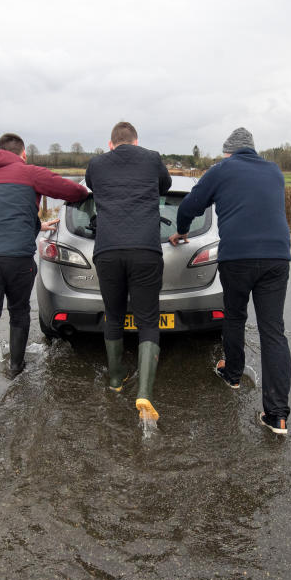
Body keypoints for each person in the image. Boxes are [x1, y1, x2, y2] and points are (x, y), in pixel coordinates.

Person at [168, 127, 291, 435]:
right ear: (252, 149)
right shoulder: (274, 171)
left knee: (235, 315)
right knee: (273, 331)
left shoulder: (221, 170)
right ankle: (277, 416)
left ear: (228, 152)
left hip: (238, 257)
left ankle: (233, 374)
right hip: (278, 258)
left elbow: (189, 207)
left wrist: (182, 231)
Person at [0, 132, 89, 403]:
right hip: (16, 259)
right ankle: (16, 368)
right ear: (23, 154)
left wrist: (35, 224)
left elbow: (2, 216)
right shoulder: (28, 172)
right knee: (18, 312)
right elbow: (74, 192)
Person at [85, 121, 172, 420]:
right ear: (137, 142)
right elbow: (166, 186)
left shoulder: (96, 164)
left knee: (114, 314)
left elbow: (91, 186)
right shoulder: (152, 157)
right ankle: (145, 393)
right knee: (148, 319)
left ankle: (115, 380)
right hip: (145, 249)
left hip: (107, 251)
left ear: (110, 143)